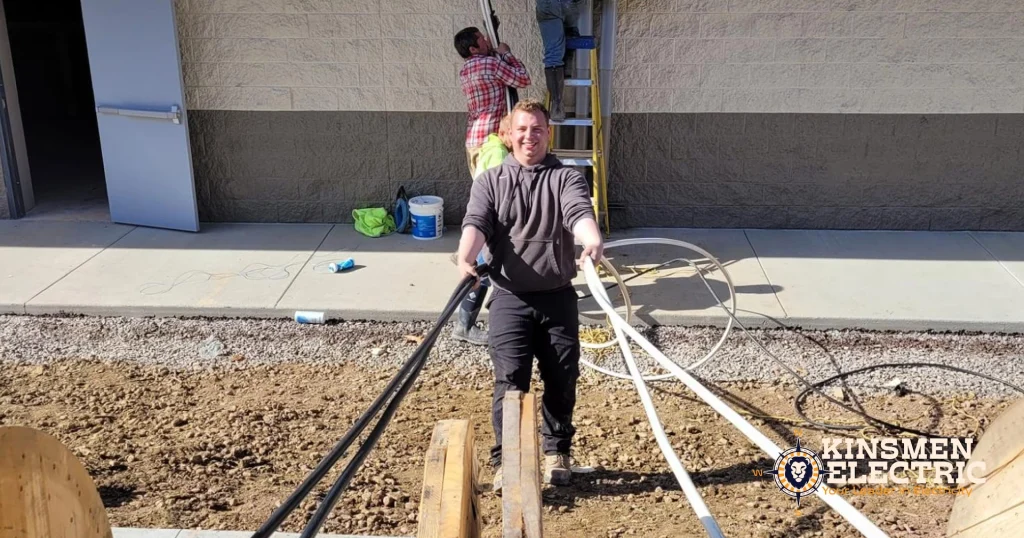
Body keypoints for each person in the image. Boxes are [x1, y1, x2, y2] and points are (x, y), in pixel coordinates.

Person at [456, 99, 604, 492]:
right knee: (510, 381)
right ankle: (509, 461)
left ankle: (557, 452)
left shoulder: (566, 177)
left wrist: (591, 241)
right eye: (521, 129)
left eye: (537, 129)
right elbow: (476, 222)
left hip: (557, 297)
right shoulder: (490, 181)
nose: (529, 136)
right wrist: (465, 256)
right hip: (509, 297)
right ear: (508, 135)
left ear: (547, 133)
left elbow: (578, 213)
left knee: (562, 378)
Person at [452, 27, 531, 346]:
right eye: (482, 39)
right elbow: (522, 80)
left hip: (474, 140)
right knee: (494, 222)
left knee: (484, 208)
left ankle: (475, 251)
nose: (487, 41)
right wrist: (506, 52)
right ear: (474, 48)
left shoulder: (467, 69)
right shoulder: (487, 63)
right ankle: (468, 320)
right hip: (489, 143)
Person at [536, 0, 583, 121]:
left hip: (549, 5)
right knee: (571, 33)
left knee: (554, 54)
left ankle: (557, 106)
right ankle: (566, 70)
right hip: (571, 4)